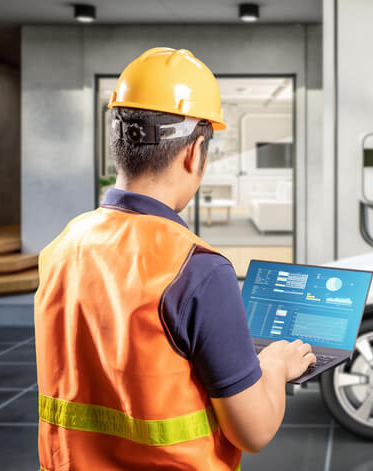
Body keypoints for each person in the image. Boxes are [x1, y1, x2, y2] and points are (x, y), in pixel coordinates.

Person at [34, 47, 315, 470]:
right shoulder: (197, 269)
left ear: (118, 146)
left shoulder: (62, 247)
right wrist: (275, 363)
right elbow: (253, 431)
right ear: (194, 152)